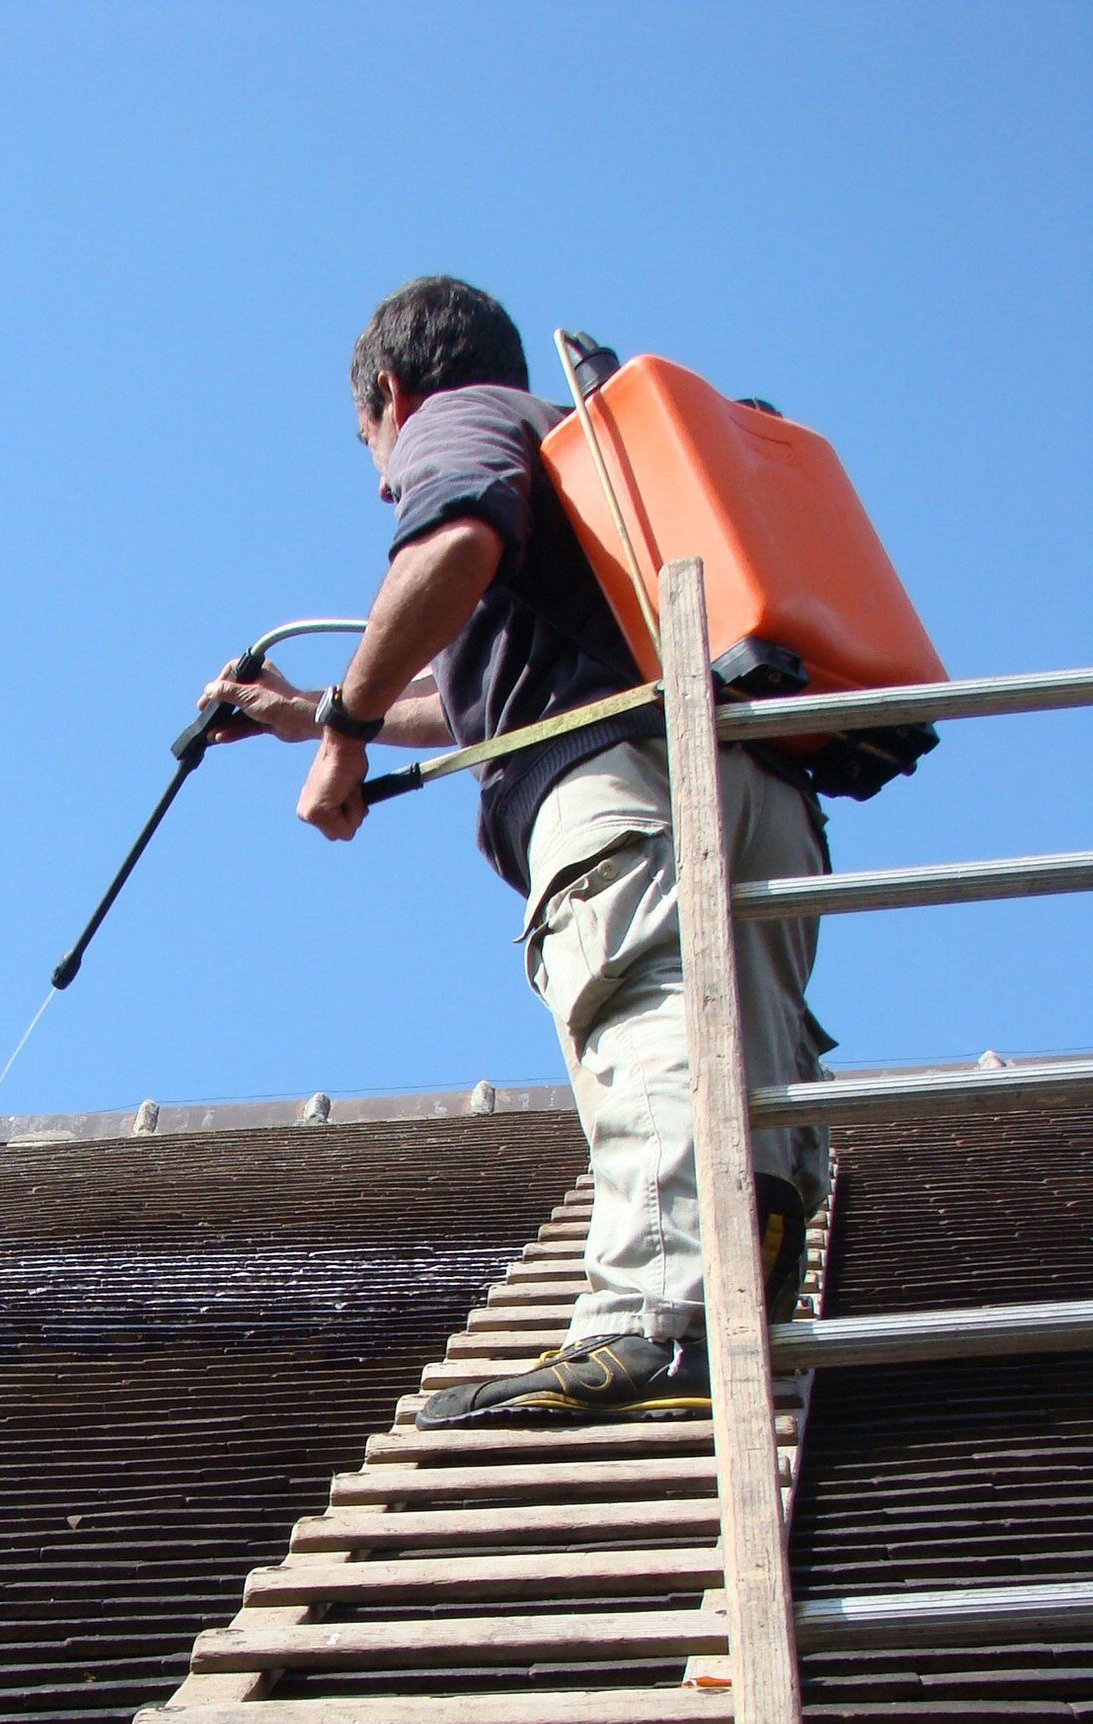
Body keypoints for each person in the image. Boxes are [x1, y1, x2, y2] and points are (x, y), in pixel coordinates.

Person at [199, 275, 830, 1427]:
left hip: (623, 792)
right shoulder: (588, 459)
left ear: (390, 392)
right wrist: (317, 709)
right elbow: (482, 692)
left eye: (368, 444)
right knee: (753, 1030)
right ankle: (757, 1271)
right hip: (762, 780)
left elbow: (451, 549)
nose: (380, 474)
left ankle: (657, 1324)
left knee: (647, 1004)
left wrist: (337, 741)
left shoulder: (460, 417)